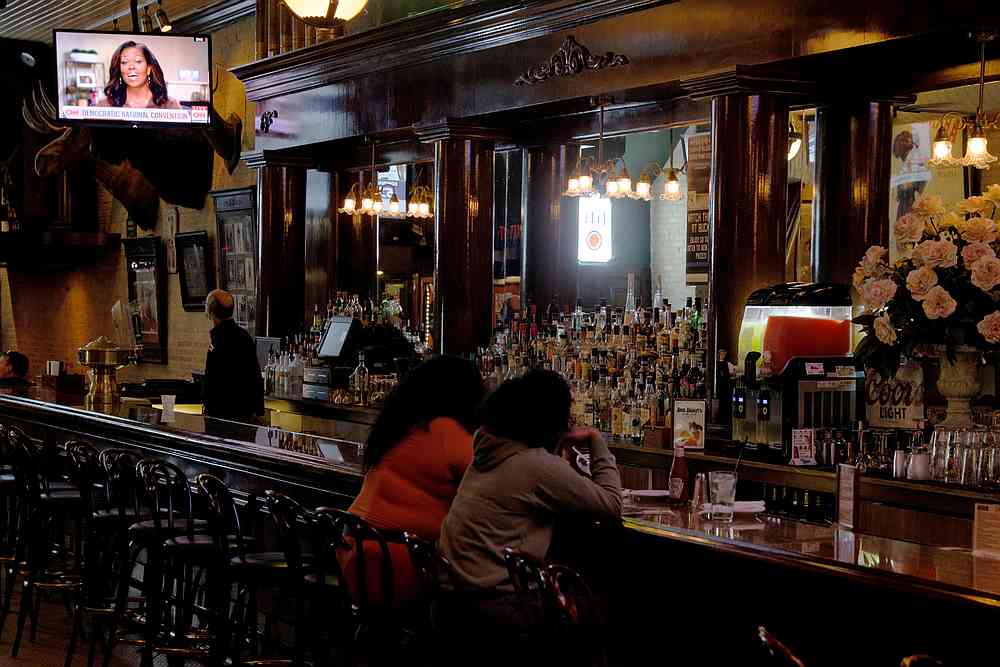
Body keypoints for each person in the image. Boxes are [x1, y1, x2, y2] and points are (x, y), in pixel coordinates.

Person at [437, 370, 621, 631]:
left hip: (450, 602)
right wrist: (597, 441)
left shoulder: (487, 453)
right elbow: (612, 506)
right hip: (499, 610)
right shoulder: (535, 465)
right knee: (599, 604)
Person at [342, 355, 485, 607]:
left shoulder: (398, 424)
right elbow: (490, 470)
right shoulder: (444, 429)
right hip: (398, 560)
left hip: (355, 551)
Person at [202, 289, 264, 422]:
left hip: (223, 416)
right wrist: (257, 411)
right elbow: (255, 375)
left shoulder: (218, 339)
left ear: (211, 313)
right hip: (245, 414)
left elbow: (213, 380)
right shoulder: (245, 336)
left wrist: (207, 407)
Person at [97, 41, 181, 109]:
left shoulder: (170, 105)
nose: (131, 67)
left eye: (138, 61)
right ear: (119, 70)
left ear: (149, 69)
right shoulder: (104, 105)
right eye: (125, 62)